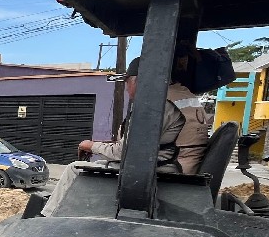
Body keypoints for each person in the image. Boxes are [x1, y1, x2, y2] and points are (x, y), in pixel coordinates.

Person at [77, 55, 208, 174]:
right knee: (97, 165)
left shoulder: (156, 105)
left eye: (127, 83)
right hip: (181, 166)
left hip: (162, 172)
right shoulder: (183, 95)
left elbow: (124, 152)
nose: (127, 89)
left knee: (75, 169)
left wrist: (90, 145)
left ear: (139, 81)